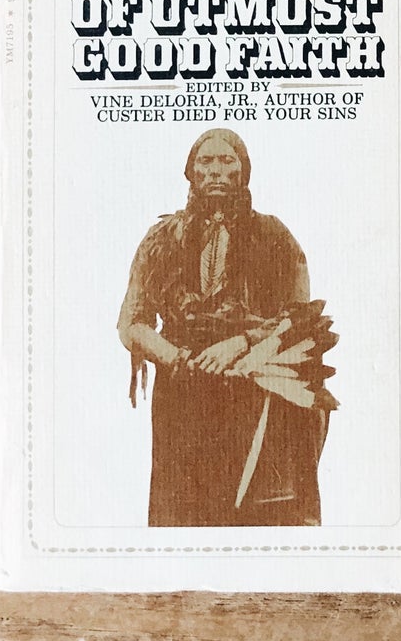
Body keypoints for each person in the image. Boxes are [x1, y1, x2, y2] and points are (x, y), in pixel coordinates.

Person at [117, 127, 336, 527]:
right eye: (206, 161)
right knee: (183, 513)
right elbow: (132, 321)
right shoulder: (161, 240)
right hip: (183, 397)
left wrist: (240, 342)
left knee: (257, 514)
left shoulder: (273, 235)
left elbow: (299, 318)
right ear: (191, 172)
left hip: (253, 391)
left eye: (226, 160)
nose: (216, 170)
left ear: (243, 171)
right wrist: (177, 357)